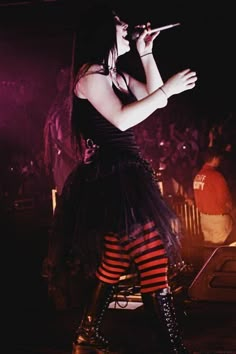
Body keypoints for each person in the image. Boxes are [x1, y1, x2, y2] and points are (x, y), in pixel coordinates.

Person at [45, 3, 197, 353]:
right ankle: (172, 348)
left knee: (114, 260)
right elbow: (121, 119)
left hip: (122, 175)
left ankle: (86, 333)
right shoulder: (89, 75)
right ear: (102, 31)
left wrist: (147, 54)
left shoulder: (112, 73)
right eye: (119, 23)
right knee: (153, 258)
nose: (128, 25)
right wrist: (167, 90)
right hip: (111, 178)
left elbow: (155, 101)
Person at [193, 146, 234, 261]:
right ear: (215, 159)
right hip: (218, 220)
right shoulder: (216, 176)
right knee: (221, 252)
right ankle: (221, 276)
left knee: (209, 250)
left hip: (204, 218)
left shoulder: (198, 176)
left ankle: (207, 275)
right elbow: (225, 200)